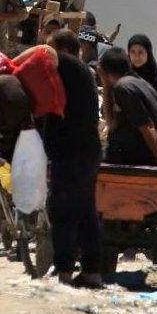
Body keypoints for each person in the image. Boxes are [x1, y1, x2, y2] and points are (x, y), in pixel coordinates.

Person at [41, 28, 105, 287]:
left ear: (64, 51)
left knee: (62, 211)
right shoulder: (80, 74)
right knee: (86, 212)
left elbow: (43, 54)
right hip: (84, 153)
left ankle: (64, 271)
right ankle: (91, 271)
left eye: (50, 47)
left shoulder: (70, 67)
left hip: (72, 154)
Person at [99, 46, 157, 167]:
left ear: (103, 71)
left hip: (136, 161)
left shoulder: (123, 87)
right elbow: (112, 125)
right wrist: (106, 84)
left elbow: (147, 127)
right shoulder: (142, 84)